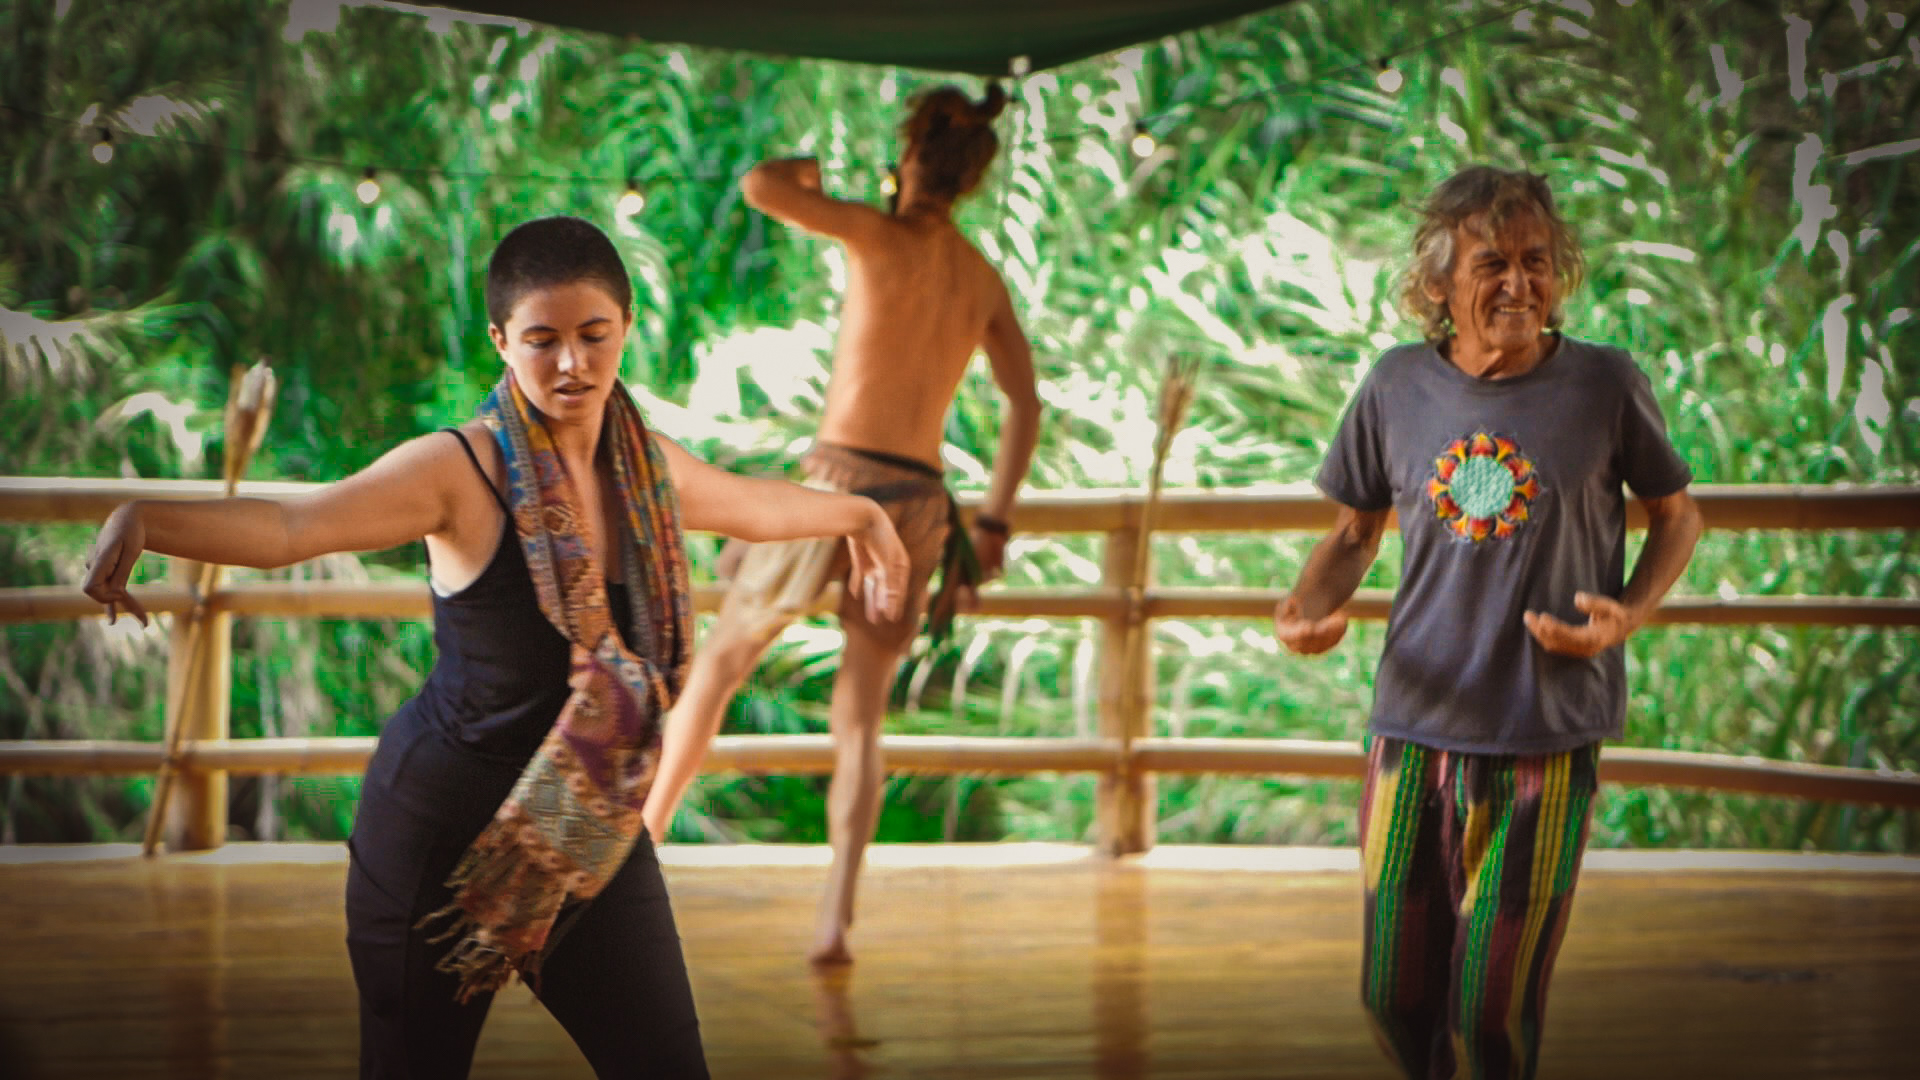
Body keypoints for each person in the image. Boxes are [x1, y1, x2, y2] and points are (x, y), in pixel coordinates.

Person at [79, 215, 912, 1080]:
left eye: (594, 336)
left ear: (627, 326)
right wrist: (148, 519)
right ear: (500, 342)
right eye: (541, 340)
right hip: (438, 836)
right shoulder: (459, 469)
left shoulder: (648, 471)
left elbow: (757, 507)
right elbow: (298, 524)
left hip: (584, 825)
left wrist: (866, 516)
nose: (571, 364)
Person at [1272, 165, 1704, 1079]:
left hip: (1544, 734)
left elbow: (1678, 515)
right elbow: (1352, 533)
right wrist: (1309, 610)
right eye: (1492, 263)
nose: (1519, 284)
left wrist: (1624, 613)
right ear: (1437, 284)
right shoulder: (1394, 386)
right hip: (1410, 733)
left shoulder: (1604, 383)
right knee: (1395, 993)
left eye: (1537, 262)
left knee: (1493, 1010)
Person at [639, 82, 1043, 966]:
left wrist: (811, 172)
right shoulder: (978, 276)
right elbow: (1024, 402)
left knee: (719, 666)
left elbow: (760, 185)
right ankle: (835, 917)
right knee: (859, 718)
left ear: (908, 159)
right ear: (971, 178)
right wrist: (998, 521)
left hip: (839, 485)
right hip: (920, 501)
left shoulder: (876, 233)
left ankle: (646, 846)